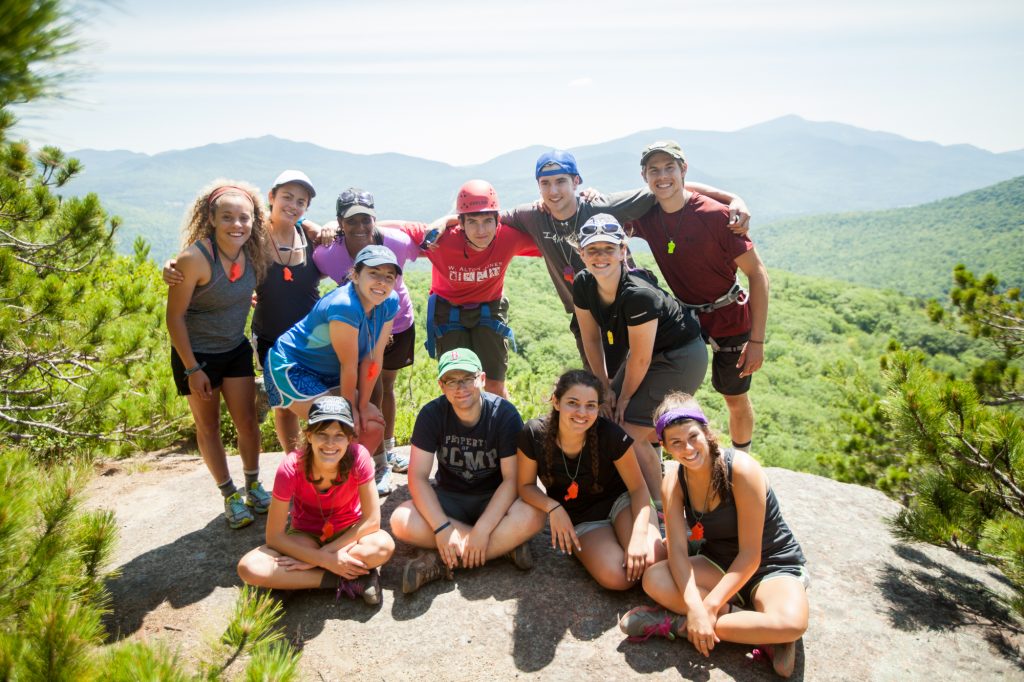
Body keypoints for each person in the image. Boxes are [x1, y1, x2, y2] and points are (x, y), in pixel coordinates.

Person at [501, 149, 751, 366]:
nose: (553, 191)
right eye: (545, 183)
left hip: (629, 306)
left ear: (576, 181)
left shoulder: (601, 206)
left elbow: (665, 187)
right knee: (598, 383)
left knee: (638, 375)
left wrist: (732, 199)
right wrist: (461, 220)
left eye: (560, 181)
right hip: (585, 313)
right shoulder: (532, 215)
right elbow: (488, 217)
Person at [618, 393, 808, 678]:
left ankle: (678, 625)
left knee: (792, 623)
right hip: (717, 562)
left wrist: (706, 608)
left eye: (693, 436)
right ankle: (761, 634)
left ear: (706, 432)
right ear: (667, 448)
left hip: (770, 565)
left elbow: (750, 556)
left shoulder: (742, 470)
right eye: (676, 443)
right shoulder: (675, 482)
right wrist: (695, 605)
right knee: (654, 578)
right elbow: (679, 553)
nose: (688, 448)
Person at [164, 170, 325, 453]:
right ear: (271, 198)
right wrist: (172, 264)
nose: (293, 205)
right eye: (287, 197)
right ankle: (295, 465)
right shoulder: (254, 239)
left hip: (312, 339)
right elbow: (213, 251)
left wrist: (327, 227)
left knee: (316, 400)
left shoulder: (313, 238)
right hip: (271, 337)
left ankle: (316, 460)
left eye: (301, 201)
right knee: (286, 408)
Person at [630, 140, 770, 451]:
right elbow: (610, 218)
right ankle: (662, 461)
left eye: (670, 168)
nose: (662, 176)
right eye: (654, 170)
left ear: (683, 169)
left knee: (734, 396)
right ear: (644, 176)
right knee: (665, 390)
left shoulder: (717, 216)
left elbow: (758, 274)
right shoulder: (646, 214)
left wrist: (757, 340)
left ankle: (742, 460)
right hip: (685, 315)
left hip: (729, 314)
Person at [572, 214, 707, 504]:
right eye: (592, 250)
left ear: (623, 251)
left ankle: (660, 508)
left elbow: (641, 359)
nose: (600, 257)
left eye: (608, 249)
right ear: (581, 254)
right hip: (643, 356)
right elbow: (591, 339)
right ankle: (642, 486)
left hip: (680, 356)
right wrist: (604, 388)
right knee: (605, 419)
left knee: (625, 431)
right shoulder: (583, 283)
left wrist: (622, 398)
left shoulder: (638, 295)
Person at [389, 348, 545, 594]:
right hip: (450, 500)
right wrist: (442, 528)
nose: (460, 388)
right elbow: (418, 477)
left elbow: (512, 480)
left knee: (534, 513)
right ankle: (503, 548)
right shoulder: (432, 414)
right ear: (441, 385)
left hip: (493, 502)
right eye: (451, 381)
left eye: (467, 379)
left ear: (481, 379)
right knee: (400, 520)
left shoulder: (504, 415)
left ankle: (441, 561)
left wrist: (483, 530)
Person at [165, 179, 271, 529]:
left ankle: (253, 484)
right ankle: (229, 495)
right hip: (197, 354)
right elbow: (174, 317)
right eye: (227, 217)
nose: (237, 225)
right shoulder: (194, 259)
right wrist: (192, 368)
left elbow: (296, 226)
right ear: (211, 218)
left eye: (245, 217)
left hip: (234, 347)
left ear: (255, 219)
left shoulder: (252, 252)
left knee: (248, 423)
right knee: (208, 426)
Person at [237, 396, 395, 605]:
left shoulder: (360, 457)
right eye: (322, 433)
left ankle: (294, 581)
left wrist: (323, 556)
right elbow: (274, 537)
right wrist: (325, 561)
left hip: (348, 534)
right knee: (249, 567)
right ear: (309, 435)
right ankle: (343, 579)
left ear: (350, 438)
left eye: (339, 435)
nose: (330, 443)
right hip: (305, 535)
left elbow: (372, 521)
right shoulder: (291, 467)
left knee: (382, 546)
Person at [314, 188, 422, 495]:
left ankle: (386, 450)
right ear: (339, 223)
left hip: (398, 323)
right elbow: (303, 271)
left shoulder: (396, 242)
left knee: (387, 388)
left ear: (374, 219)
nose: (360, 227)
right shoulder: (328, 252)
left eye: (366, 220)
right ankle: (377, 463)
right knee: (368, 390)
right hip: (359, 330)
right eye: (352, 221)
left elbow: (429, 244)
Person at [516, 369, 665, 589]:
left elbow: (638, 489)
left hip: (621, 504)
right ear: (557, 402)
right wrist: (554, 508)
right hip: (583, 518)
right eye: (573, 403)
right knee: (619, 578)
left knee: (652, 562)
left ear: (598, 407)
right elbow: (525, 486)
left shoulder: (610, 435)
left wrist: (638, 535)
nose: (582, 412)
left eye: (591, 405)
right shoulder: (534, 434)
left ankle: (664, 540)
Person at [391, 180, 540, 398]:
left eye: (488, 221)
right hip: (448, 310)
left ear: (498, 220)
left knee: (494, 385)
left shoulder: (508, 237)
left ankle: (504, 430)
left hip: (489, 308)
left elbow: (550, 235)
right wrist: (341, 227)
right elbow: (393, 228)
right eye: (473, 222)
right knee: (456, 383)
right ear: (460, 223)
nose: (481, 231)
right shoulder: (442, 239)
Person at [264, 244, 401, 458]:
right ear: (355, 276)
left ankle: (350, 483)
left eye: (389, 276)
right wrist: (350, 412)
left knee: (371, 424)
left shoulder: (389, 302)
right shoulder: (344, 305)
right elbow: (348, 366)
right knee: (334, 424)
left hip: (329, 373)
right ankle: (300, 478)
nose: (381, 282)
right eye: (373, 273)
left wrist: (363, 406)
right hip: (293, 367)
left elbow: (373, 359)